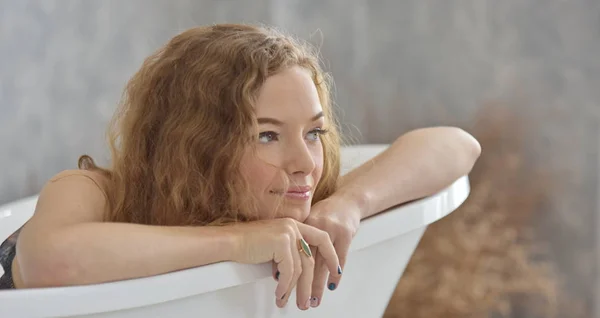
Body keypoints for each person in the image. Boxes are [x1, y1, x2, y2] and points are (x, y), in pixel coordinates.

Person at [0, 24, 481, 310]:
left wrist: (352, 204)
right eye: (267, 135)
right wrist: (237, 242)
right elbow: (48, 262)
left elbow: (457, 145)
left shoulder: (299, 200)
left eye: (313, 132)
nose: (304, 163)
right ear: (196, 145)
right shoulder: (95, 192)